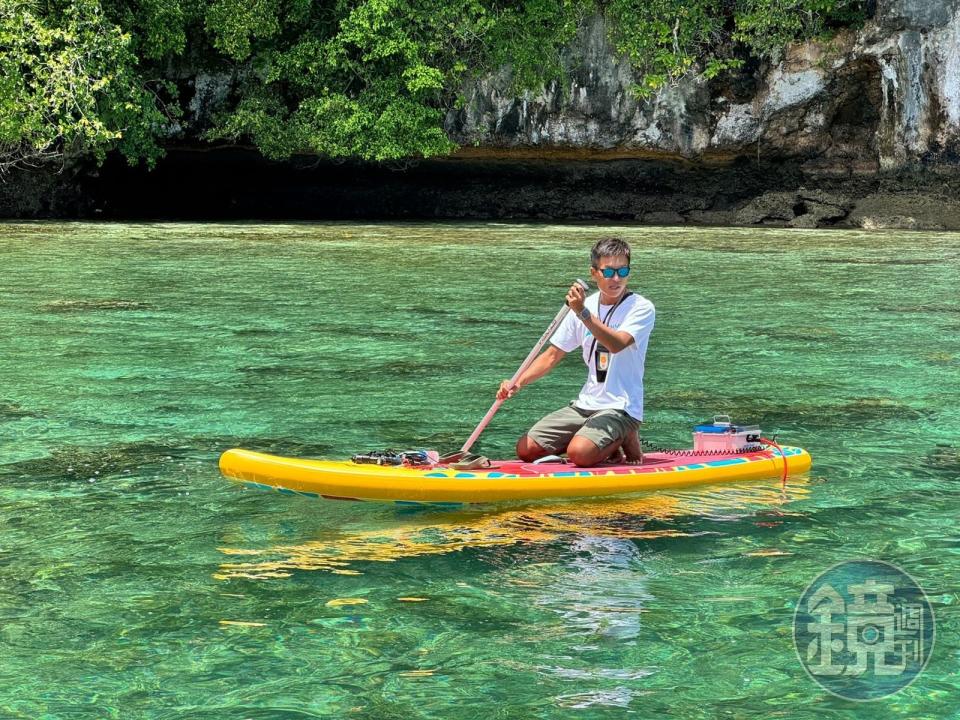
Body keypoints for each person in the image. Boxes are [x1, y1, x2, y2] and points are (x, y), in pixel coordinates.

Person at [496, 237, 655, 467]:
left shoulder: (641, 307)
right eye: (609, 272)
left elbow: (617, 344)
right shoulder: (585, 306)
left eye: (623, 270)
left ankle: (625, 434)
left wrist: (582, 313)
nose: (617, 278)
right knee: (527, 449)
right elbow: (552, 355)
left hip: (621, 406)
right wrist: (517, 382)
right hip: (585, 404)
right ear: (594, 273)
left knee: (579, 454)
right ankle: (599, 442)